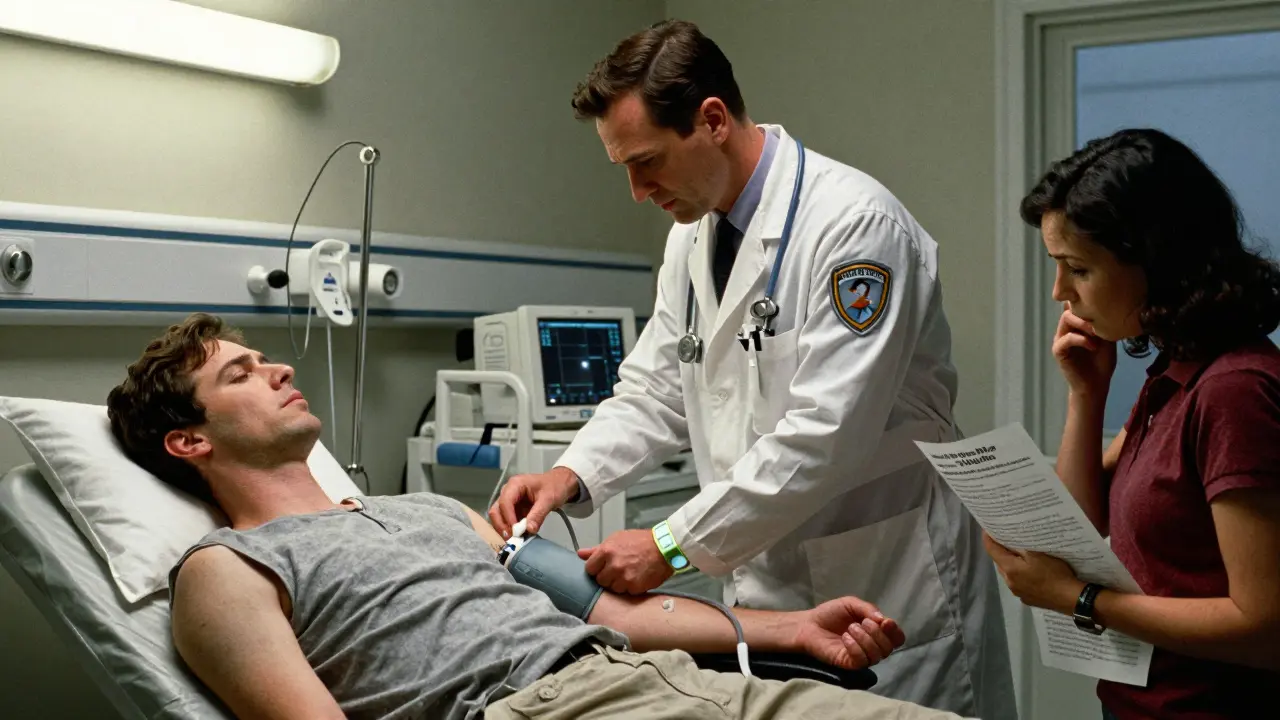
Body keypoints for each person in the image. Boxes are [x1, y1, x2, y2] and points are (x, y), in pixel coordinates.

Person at [489, 19, 1014, 718]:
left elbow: (826, 435)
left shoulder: (855, 227)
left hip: (885, 579)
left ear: (711, 119)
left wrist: (669, 547)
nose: (638, 192)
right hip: (769, 593)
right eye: (624, 169)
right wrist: (568, 473)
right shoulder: (692, 239)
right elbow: (655, 388)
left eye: (645, 162)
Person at [104, 313, 969, 720]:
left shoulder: (432, 510)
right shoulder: (226, 571)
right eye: (241, 374)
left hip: (675, 686)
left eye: (264, 358)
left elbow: (612, 612)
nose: (279, 369)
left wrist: (795, 632)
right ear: (188, 443)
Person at [985, 128, 1280, 719]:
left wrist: (1079, 599)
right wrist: (1086, 396)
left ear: (1155, 261)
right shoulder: (1176, 372)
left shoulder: (1233, 391)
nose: (1059, 292)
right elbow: (1079, 526)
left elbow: (1263, 627)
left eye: (1078, 269)